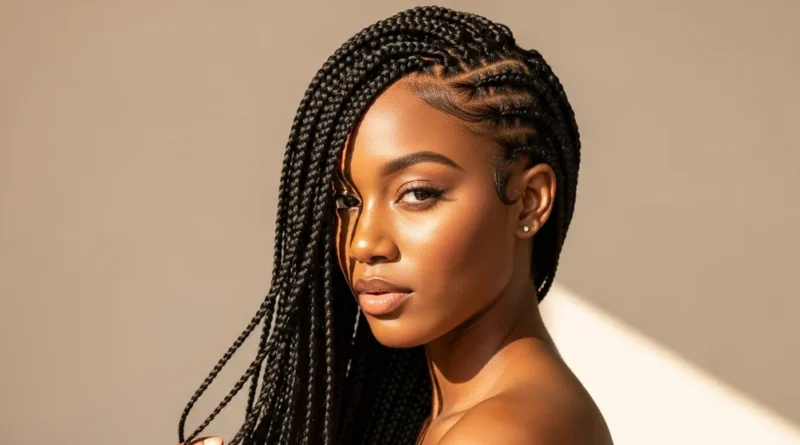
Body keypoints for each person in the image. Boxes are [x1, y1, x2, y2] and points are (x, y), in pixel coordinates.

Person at [177, 5, 613, 445]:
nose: (363, 242)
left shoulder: (510, 432)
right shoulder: (430, 417)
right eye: (347, 201)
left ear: (529, 202)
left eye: (418, 193)